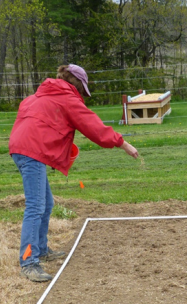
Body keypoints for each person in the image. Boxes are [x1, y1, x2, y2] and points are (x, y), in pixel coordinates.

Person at [9, 64, 138, 282]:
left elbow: (40, 125)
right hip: (31, 152)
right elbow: (93, 126)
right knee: (36, 206)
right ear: (77, 86)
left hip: (23, 149)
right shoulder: (66, 98)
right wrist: (122, 143)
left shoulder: (38, 96)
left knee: (46, 204)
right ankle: (29, 262)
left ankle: (40, 249)